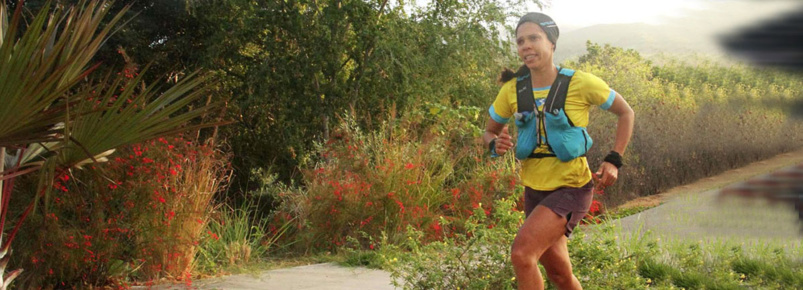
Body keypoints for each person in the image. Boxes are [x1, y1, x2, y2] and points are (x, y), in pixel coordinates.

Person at [483, 12, 635, 290]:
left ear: (552, 43)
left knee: (522, 254)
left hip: (572, 187)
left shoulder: (581, 83)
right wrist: (495, 142)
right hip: (535, 189)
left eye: (533, 38)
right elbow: (489, 130)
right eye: (520, 41)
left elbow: (625, 112)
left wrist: (614, 159)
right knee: (559, 274)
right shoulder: (512, 90)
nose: (526, 46)